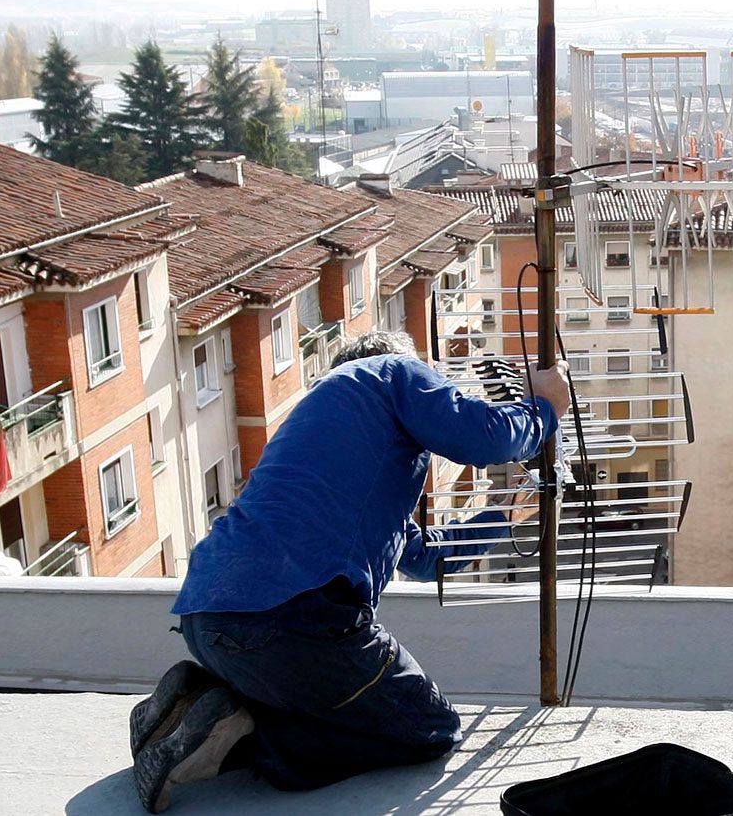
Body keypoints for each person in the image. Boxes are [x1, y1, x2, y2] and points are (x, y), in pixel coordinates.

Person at [129, 331, 571, 812]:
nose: (437, 387)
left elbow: (422, 556)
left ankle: (203, 704)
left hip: (207, 618)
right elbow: (482, 437)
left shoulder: (334, 452)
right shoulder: (392, 373)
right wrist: (543, 408)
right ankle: (244, 737)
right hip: (296, 619)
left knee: (341, 708)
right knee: (430, 729)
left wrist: (502, 516)